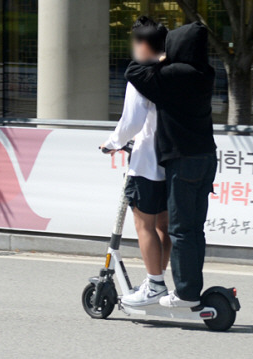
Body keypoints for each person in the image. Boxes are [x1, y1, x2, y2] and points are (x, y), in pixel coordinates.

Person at [124, 22, 217, 308]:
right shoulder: (205, 72)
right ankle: (189, 286)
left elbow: (133, 71)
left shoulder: (175, 73)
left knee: (180, 229)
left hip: (182, 160)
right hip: (206, 157)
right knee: (193, 228)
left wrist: (162, 58)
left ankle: (186, 293)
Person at [100, 16, 171, 307]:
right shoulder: (173, 70)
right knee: (164, 227)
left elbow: (131, 122)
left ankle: (154, 285)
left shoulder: (141, 75)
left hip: (147, 163)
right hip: (173, 161)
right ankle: (158, 279)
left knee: (145, 226)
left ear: (143, 44)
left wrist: (111, 144)